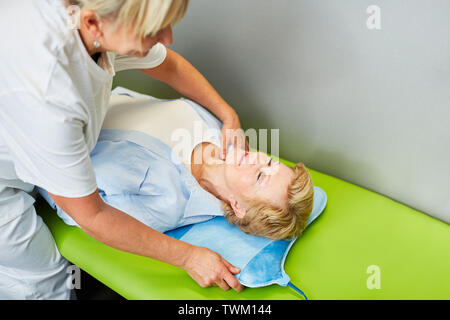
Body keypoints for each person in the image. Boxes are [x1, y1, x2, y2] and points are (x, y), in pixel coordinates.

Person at [0, 0, 248, 299]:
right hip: (6, 183)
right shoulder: (50, 96)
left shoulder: (94, 19)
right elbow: (91, 215)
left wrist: (227, 114)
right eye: (153, 30)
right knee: (48, 285)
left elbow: (169, 64)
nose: (168, 38)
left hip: (32, 141)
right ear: (92, 24)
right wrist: (189, 257)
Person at [40, 89, 315, 242]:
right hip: (71, 89)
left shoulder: (168, 204)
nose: (257, 159)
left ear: (239, 207)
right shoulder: (219, 127)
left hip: (37, 136)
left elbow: (74, 210)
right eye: (269, 161)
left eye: (259, 177)